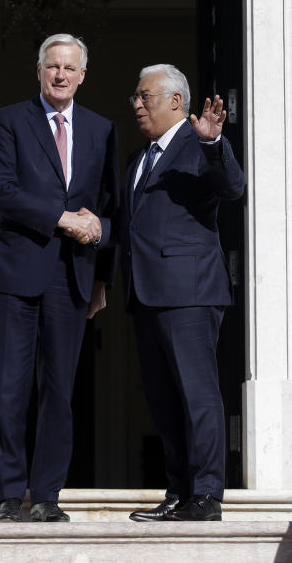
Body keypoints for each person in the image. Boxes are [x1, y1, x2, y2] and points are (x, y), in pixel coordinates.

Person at [0, 34, 118, 523]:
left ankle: (46, 497)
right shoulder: (9, 121)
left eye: (69, 67)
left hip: (73, 278)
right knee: (9, 387)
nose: (60, 74)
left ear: (83, 76)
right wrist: (62, 218)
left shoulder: (102, 130)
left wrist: (102, 278)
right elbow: (1, 191)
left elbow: (107, 208)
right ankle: (7, 494)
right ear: (39, 72)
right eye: (52, 66)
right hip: (15, 273)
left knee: (59, 390)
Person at [119, 64, 245, 522]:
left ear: (175, 101)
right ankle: (178, 491)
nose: (136, 103)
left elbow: (232, 187)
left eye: (143, 95)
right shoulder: (140, 159)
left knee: (197, 394)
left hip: (189, 292)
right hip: (146, 293)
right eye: (135, 96)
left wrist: (214, 142)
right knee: (163, 399)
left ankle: (207, 493)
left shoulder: (198, 144)